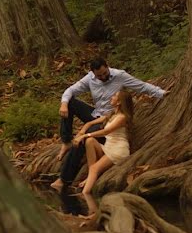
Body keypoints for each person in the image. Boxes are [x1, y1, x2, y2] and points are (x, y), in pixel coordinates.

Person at [50, 58, 165, 191]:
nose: (104, 77)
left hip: (110, 120)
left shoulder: (119, 76)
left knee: (81, 141)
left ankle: (64, 179)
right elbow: (70, 91)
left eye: (105, 73)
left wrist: (161, 93)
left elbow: (142, 86)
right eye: (99, 75)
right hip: (96, 115)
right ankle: (66, 140)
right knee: (69, 102)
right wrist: (64, 104)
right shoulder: (90, 79)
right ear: (93, 73)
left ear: (108, 66)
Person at [75, 90, 133, 193]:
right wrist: (82, 131)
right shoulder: (111, 115)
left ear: (119, 102)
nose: (112, 97)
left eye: (114, 95)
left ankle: (85, 194)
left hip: (118, 150)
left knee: (94, 168)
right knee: (90, 141)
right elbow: (90, 123)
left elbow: (106, 131)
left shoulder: (122, 117)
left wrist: (85, 135)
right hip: (108, 147)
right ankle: (90, 176)